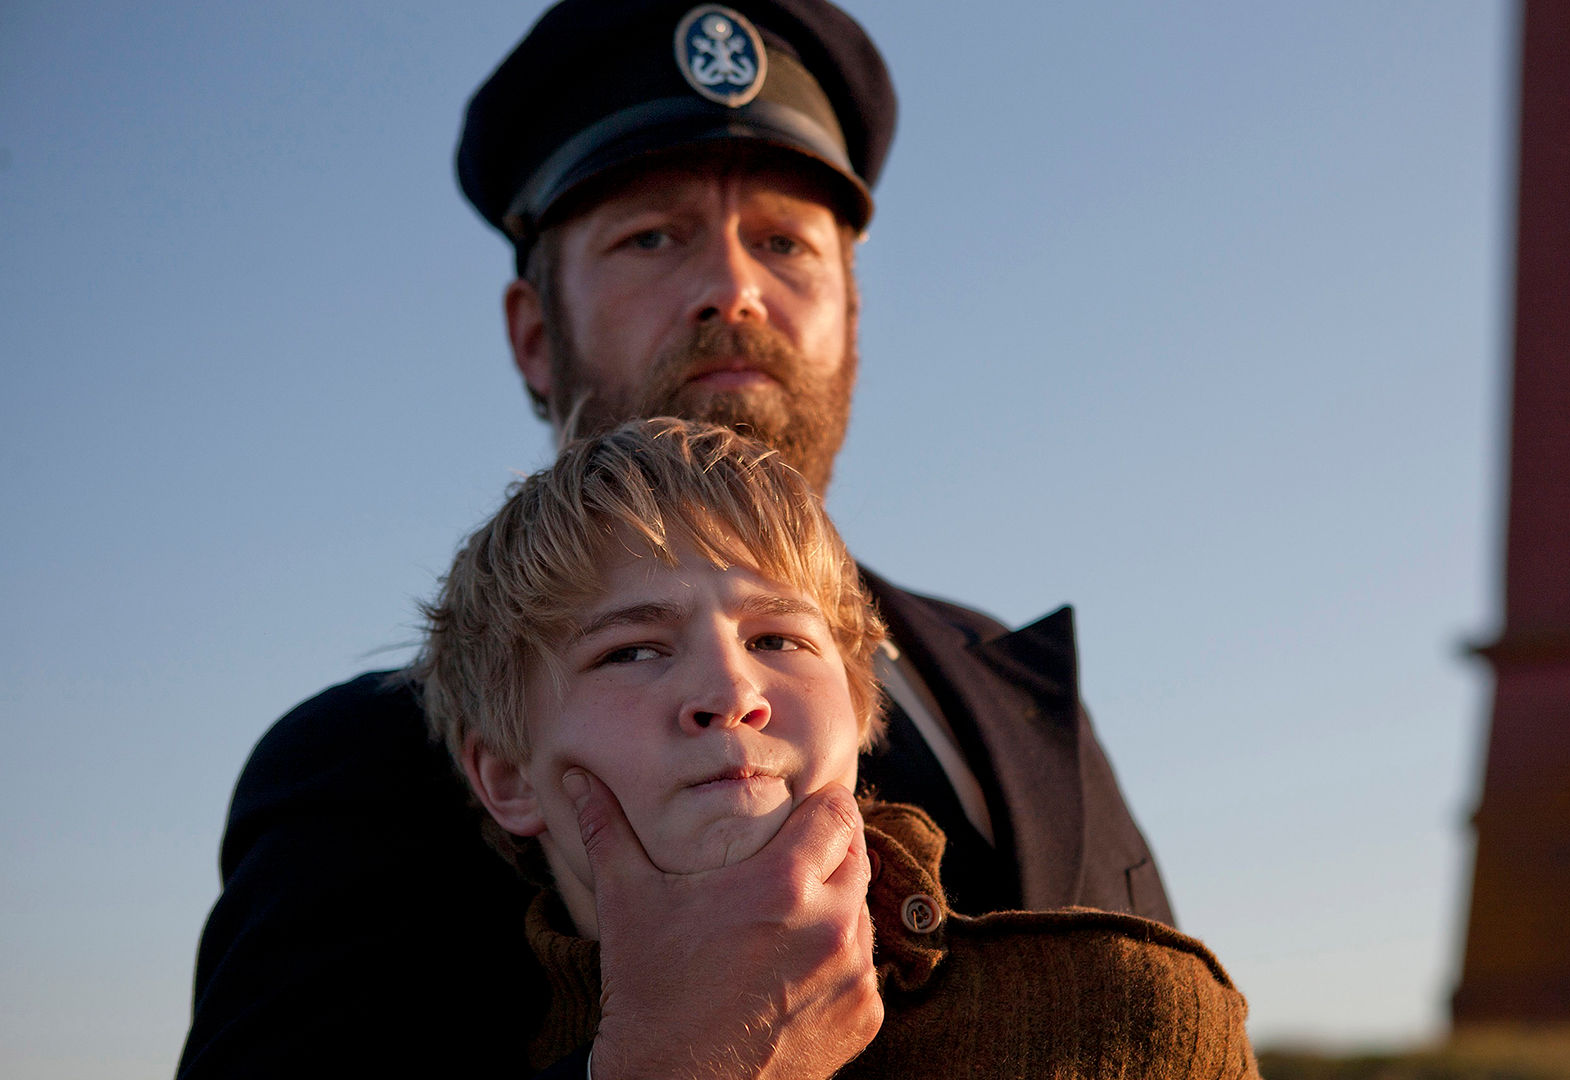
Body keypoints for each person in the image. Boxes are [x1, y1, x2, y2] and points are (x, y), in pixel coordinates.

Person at [178, 2, 1171, 1078]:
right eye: (652, 237)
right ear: (533, 335)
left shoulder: (1018, 693)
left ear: (850, 312)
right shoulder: (366, 767)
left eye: (784, 243)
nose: (733, 289)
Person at [412, 417, 1257, 1078]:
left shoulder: (1129, 1015)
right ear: (507, 776)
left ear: (858, 714)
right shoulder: (394, 1041)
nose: (732, 693)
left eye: (777, 640)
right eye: (631, 651)